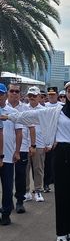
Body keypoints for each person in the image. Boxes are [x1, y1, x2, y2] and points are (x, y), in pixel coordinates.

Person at [1, 80, 70, 241]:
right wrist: (9, 116)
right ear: (65, 94)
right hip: (60, 154)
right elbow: (31, 116)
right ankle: (61, 232)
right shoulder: (56, 111)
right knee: (61, 194)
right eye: (69, 91)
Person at [0, 83, 22, 225]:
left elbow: (19, 132)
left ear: (5, 95)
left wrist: (17, 151)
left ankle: (6, 212)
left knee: (7, 187)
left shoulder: (12, 112)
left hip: (7, 156)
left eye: (1, 94)